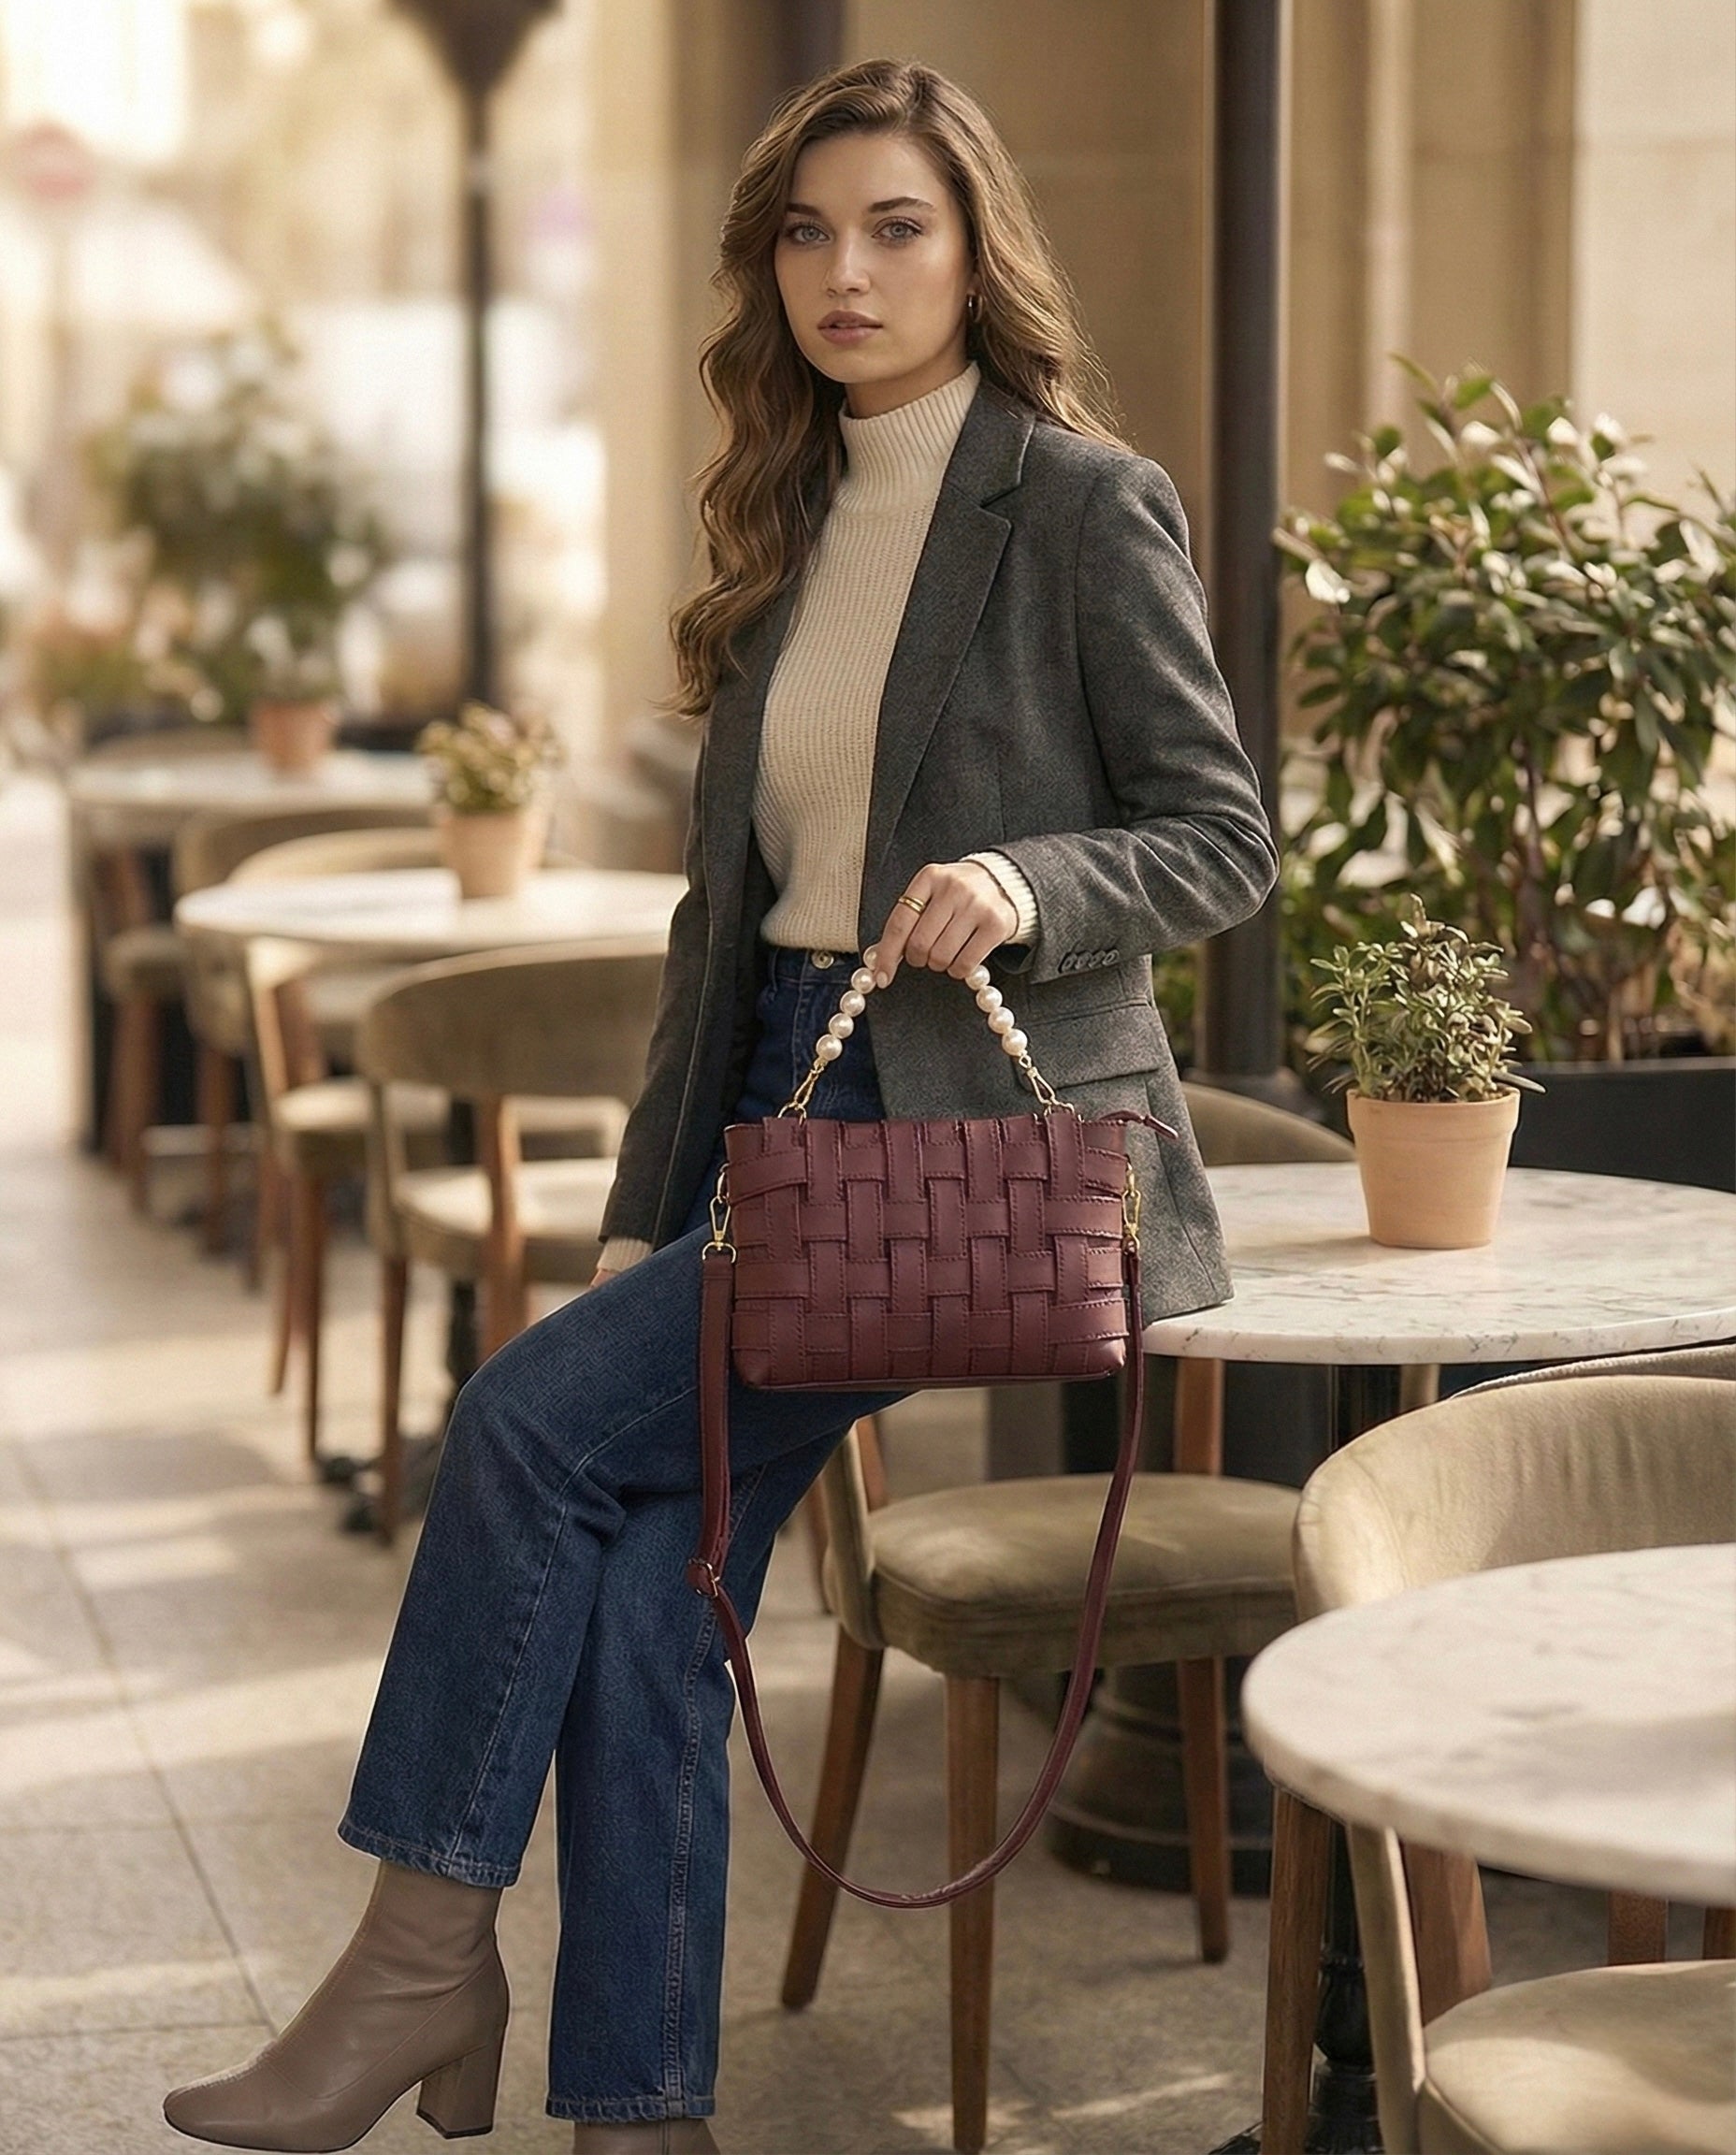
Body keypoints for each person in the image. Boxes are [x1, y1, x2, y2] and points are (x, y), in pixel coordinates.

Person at [163, 57, 1276, 2155]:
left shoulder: (1076, 500)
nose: (844, 273)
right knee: (657, 1582)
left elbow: (1221, 837)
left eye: (894, 229)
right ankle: (636, 2112)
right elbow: (721, 926)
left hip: (951, 1154)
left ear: (974, 253)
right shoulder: (782, 510)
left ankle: (417, 1958)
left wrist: (1032, 883)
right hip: (771, 1103)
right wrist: (635, 1213)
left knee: (514, 1428)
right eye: (805, 232)